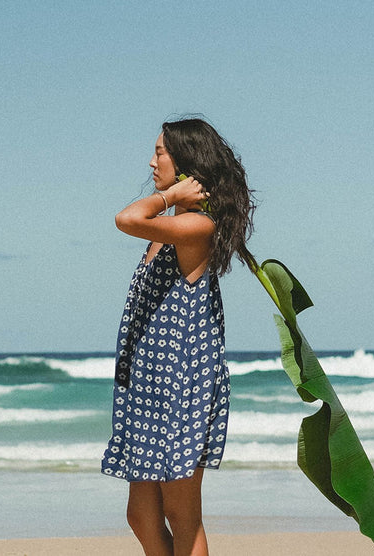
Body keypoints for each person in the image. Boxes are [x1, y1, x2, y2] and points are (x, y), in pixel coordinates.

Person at [103, 116, 255, 556]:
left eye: (160, 153)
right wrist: (171, 199)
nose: (152, 163)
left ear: (186, 163)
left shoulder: (198, 227)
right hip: (147, 383)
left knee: (182, 514)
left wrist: (170, 196)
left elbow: (126, 217)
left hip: (181, 381)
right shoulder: (168, 230)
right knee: (141, 514)